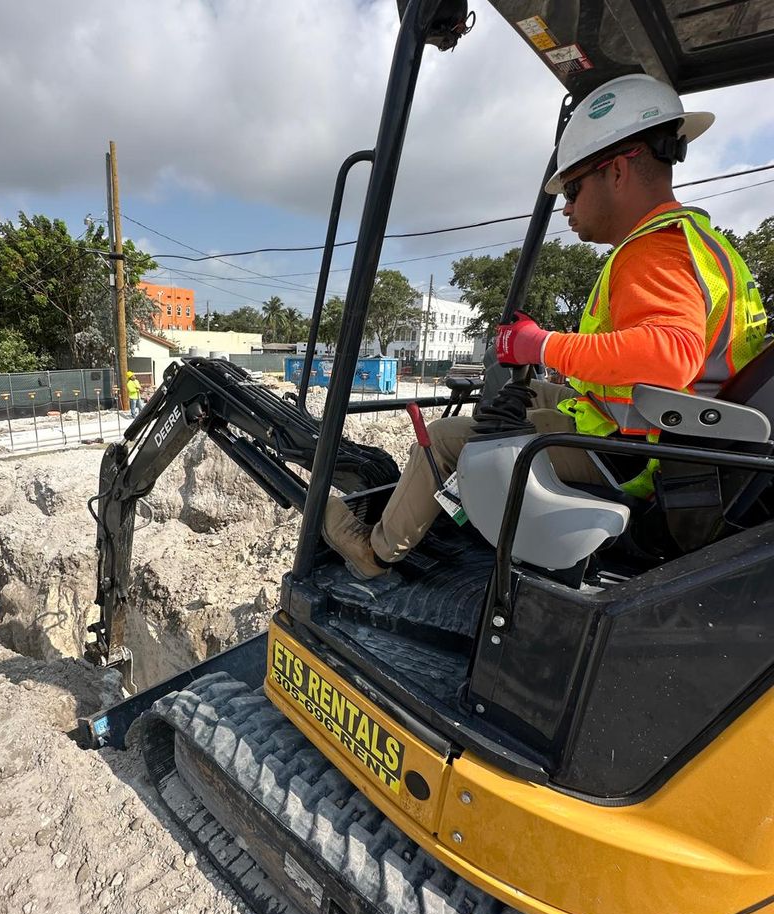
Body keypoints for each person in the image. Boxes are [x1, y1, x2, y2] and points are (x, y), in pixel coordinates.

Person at [323, 73, 768, 580]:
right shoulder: (703, 243)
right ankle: (457, 500)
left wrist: (541, 343)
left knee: (447, 437)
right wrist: (543, 366)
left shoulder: (652, 251)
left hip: (636, 457)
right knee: (515, 393)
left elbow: (671, 354)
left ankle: (375, 554)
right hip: (667, 437)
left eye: (574, 188)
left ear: (618, 171)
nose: (567, 207)